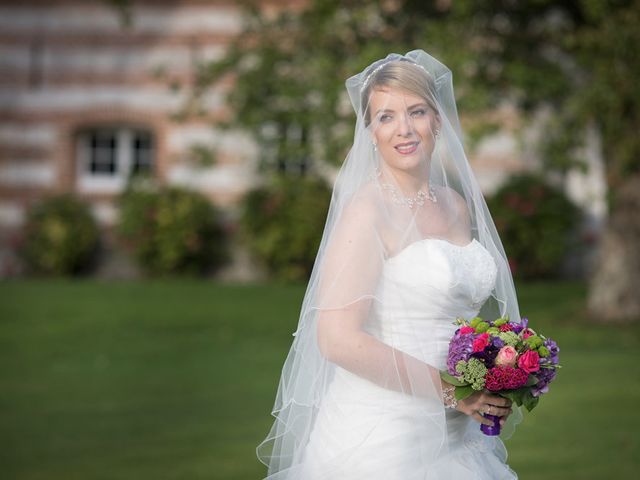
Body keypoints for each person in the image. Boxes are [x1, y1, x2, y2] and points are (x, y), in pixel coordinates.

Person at [257, 50, 522, 479]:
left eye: (416, 111)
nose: (404, 129)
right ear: (370, 132)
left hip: (459, 433)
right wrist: (453, 392)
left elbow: (453, 316)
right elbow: (337, 339)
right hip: (385, 435)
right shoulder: (367, 212)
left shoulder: (455, 205)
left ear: (437, 119)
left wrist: (493, 368)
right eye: (386, 117)